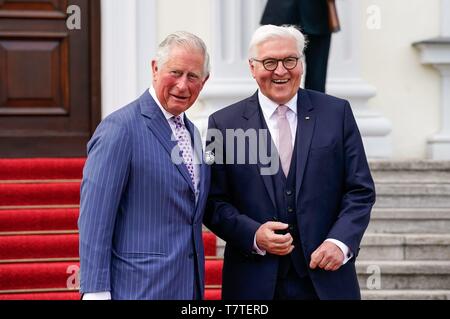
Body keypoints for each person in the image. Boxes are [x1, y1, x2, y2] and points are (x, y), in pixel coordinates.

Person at [204, 25, 375, 300]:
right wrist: (254, 234)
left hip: (327, 280)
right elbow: (212, 201)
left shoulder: (337, 113)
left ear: (301, 64)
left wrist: (339, 242)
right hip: (252, 283)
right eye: (270, 62)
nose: (281, 71)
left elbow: (360, 190)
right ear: (252, 67)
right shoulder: (222, 124)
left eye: (289, 60)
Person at [78, 31, 210, 300]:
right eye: (175, 72)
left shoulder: (193, 133)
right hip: (137, 289)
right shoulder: (120, 128)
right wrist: (95, 292)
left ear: (204, 81)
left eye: (193, 76)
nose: (183, 85)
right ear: (155, 69)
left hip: (188, 288)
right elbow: (94, 219)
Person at [261, 0, 340, 92]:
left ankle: (315, 106)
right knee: (277, 74)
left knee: (317, 79)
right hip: (282, 15)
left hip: (318, 14)